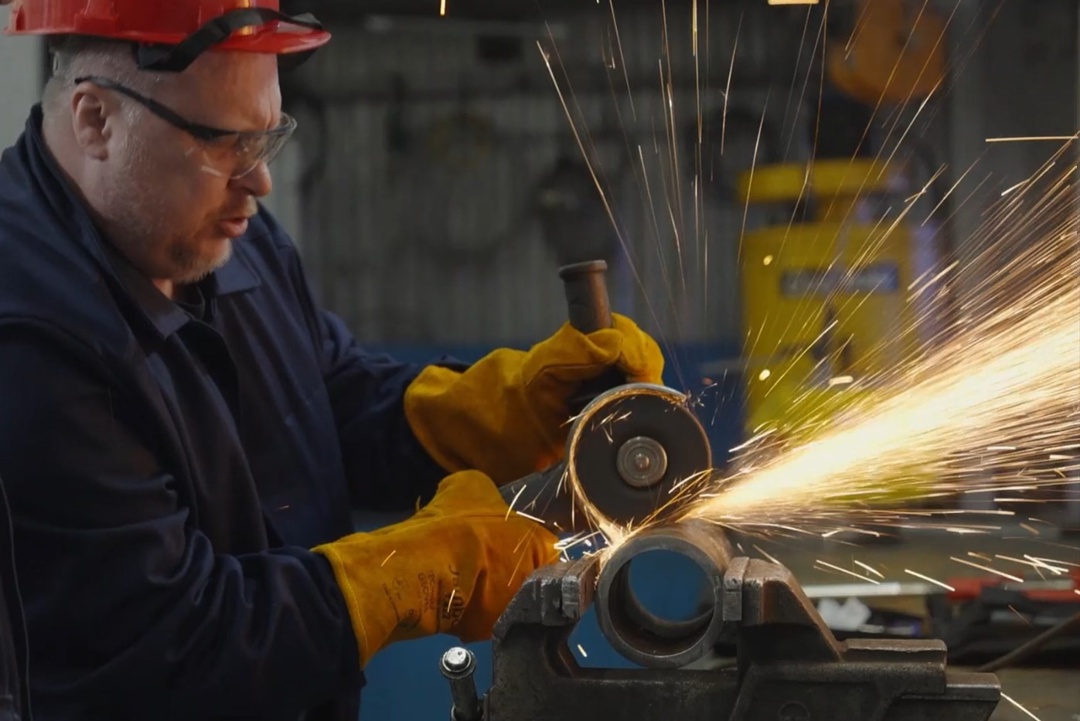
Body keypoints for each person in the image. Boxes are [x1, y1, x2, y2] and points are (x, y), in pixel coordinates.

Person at [0, 1, 665, 719]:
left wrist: (497, 410)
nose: (260, 182)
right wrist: (416, 569)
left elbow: (327, 400)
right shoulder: (30, 340)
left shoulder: (218, 234)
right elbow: (176, 645)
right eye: (223, 143)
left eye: (266, 139)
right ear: (97, 120)